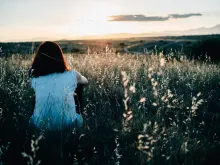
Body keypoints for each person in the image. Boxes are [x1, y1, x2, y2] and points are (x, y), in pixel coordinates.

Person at [28, 41, 88, 132]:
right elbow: (85, 81)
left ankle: (39, 118)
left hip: (40, 126)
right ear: (60, 56)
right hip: (69, 125)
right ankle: (80, 116)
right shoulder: (72, 74)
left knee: (35, 97)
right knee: (79, 87)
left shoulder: (34, 78)